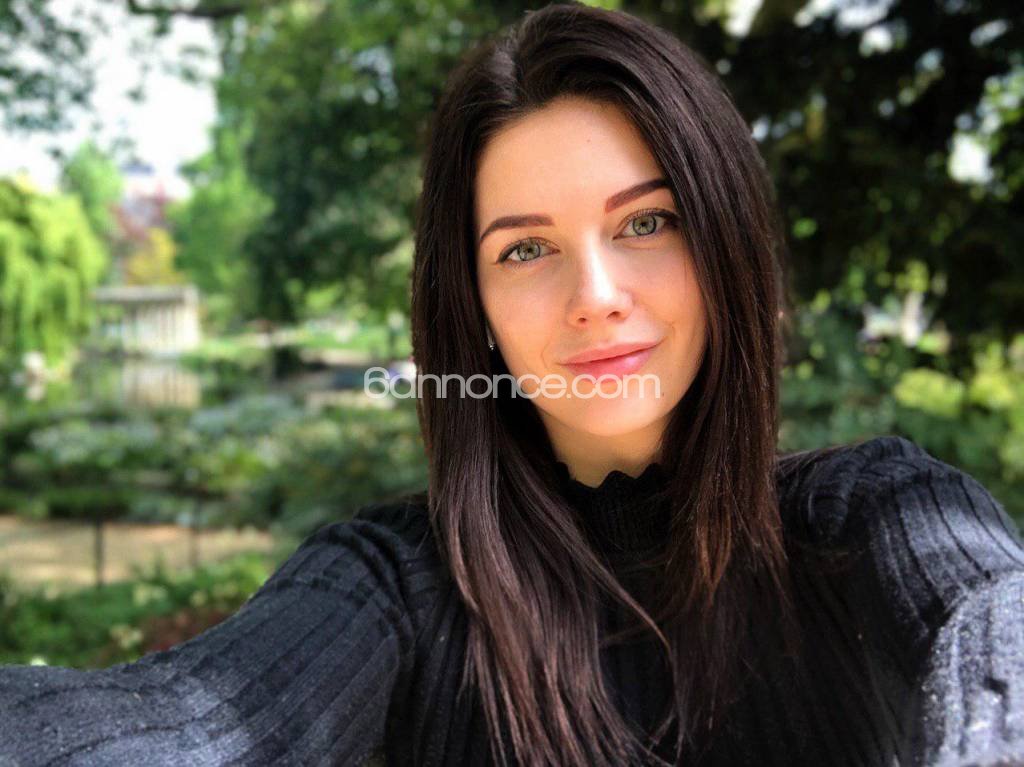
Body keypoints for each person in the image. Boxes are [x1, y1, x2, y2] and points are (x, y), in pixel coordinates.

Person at [2, 3, 1023, 766]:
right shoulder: (396, 582)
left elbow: (993, 615)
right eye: (526, 248)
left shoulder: (868, 515)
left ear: (726, 244)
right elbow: (197, 718)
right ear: (475, 305)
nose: (596, 297)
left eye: (647, 221)